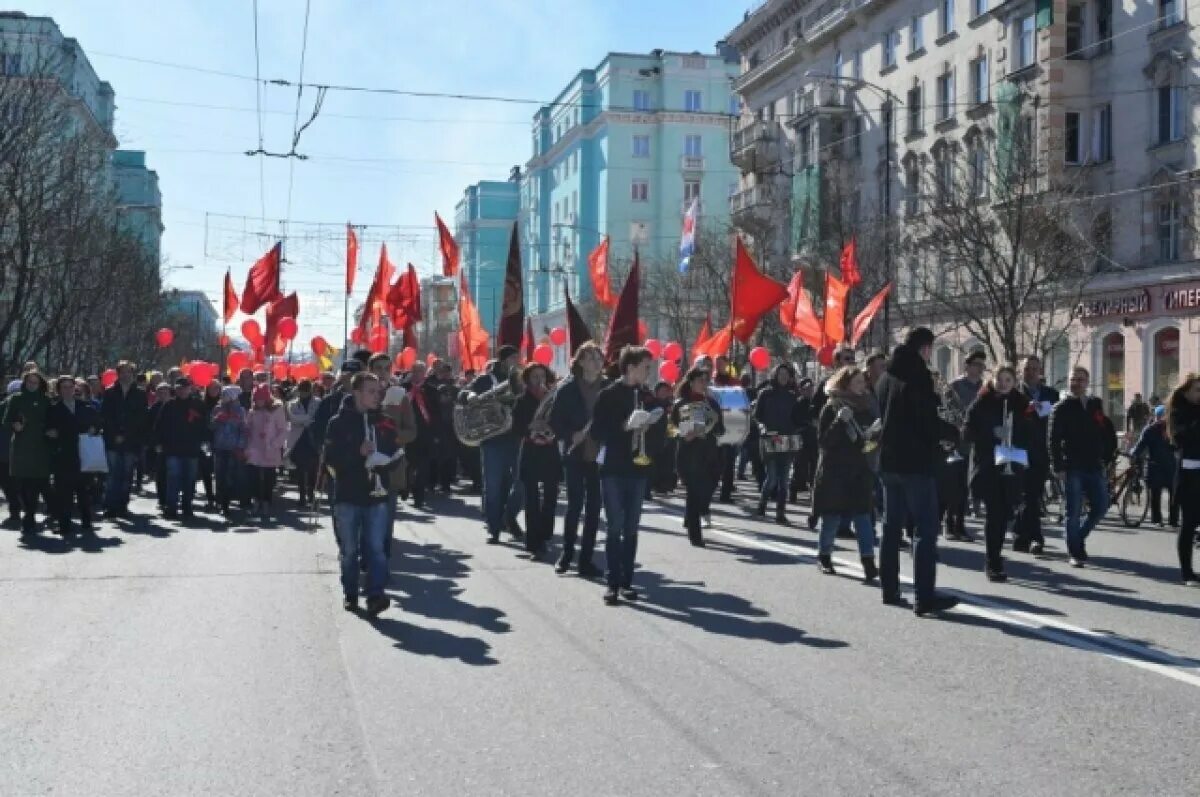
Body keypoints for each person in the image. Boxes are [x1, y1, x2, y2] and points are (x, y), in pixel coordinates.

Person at [875, 327, 960, 616]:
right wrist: (953, 432)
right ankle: (924, 596)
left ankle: (889, 588)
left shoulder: (886, 377)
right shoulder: (918, 376)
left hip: (888, 461)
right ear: (925, 348)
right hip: (915, 463)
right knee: (925, 528)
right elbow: (925, 421)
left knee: (890, 525)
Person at [324, 372, 403, 616]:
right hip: (348, 495)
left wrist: (385, 461)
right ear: (356, 393)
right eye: (371, 391)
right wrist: (357, 453)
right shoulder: (337, 422)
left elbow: (394, 453)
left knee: (376, 548)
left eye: (378, 391)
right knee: (349, 550)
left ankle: (375, 595)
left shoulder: (385, 421)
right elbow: (331, 460)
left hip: (377, 495)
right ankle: (350, 593)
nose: (376, 396)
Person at [591, 345, 658, 604]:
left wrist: (653, 422)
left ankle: (627, 582)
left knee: (631, 527)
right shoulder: (608, 394)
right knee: (615, 526)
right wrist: (624, 425)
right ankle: (612, 583)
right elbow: (597, 431)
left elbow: (658, 433)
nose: (648, 372)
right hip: (613, 468)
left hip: (637, 468)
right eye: (645, 367)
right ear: (630, 368)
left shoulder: (646, 396)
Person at [965, 366, 1033, 582]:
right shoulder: (982, 401)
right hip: (989, 464)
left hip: (1012, 463)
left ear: (1014, 382)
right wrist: (992, 432)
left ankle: (996, 556)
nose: (1003, 384)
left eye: (1008, 380)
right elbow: (968, 430)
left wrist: (1019, 431)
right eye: (999, 379)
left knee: (1004, 515)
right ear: (992, 380)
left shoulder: (1022, 402)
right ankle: (992, 561)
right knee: (994, 514)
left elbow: (1031, 431)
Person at [812, 365, 879, 581]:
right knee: (832, 516)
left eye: (863, 382)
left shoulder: (866, 406)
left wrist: (875, 435)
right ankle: (824, 556)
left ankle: (868, 561)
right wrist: (839, 421)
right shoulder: (832, 407)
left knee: (863, 517)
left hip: (860, 469)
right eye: (857, 382)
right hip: (836, 470)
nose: (862, 386)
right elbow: (823, 441)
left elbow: (871, 437)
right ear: (845, 384)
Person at [549, 341, 609, 578]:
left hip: (599, 456)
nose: (596, 361)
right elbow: (555, 421)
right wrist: (570, 434)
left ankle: (586, 559)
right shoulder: (567, 389)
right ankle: (566, 554)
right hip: (575, 454)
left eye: (598, 357)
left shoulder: (608, 388)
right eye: (591, 357)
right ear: (581, 361)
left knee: (594, 509)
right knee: (574, 506)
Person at [1049, 366, 1118, 568]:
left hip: (1095, 465)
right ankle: (1075, 552)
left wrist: (1106, 456)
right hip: (1073, 466)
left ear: (1087, 382)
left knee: (1101, 506)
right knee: (1073, 510)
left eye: (1081, 379)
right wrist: (1057, 465)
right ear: (1068, 382)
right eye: (1073, 379)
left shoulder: (1095, 404)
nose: (1076, 383)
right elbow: (1052, 440)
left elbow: (1105, 431)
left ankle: (1079, 536)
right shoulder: (1061, 407)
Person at [466, 345, 524, 544]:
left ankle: (509, 516)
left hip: (516, 438)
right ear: (504, 360)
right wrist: (471, 396)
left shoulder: (520, 378)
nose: (517, 361)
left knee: (521, 483)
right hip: (493, 440)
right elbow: (466, 393)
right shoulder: (486, 379)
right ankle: (494, 528)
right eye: (514, 357)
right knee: (492, 486)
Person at [511, 363, 561, 560]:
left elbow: (560, 422)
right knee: (531, 499)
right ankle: (533, 542)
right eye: (534, 376)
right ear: (527, 379)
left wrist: (551, 431)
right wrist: (530, 428)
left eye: (542, 375)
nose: (539, 380)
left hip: (549, 451)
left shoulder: (555, 399)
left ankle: (545, 534)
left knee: (550, 496)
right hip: (531, 451)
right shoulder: (522, 401)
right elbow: (516, 428)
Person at [670, 366, 724, 547]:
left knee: (708, 488)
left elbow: (720, 430)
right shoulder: (681, 403)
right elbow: (670, 429)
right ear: (691, 382)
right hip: (688, 455)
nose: (703, 384)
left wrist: (715, 421)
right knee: (693, 493)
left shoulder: (712, 404)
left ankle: (690, 516)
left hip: (708, 455)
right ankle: (696, 535)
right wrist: (684, 434)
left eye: (705, 380)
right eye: (700, 380)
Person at [1015, 355, 1060, 553]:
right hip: (1018, 450)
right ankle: (1033, 537)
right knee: (1024, 495)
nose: (1031, 372)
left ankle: (1021, 535)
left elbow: (1056, 422)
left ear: (1040, 371)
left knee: (1032, 495)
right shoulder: (1014, 393)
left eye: (1034, 368)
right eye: (1027, 368)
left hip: (1042, 451)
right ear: (1020, 371)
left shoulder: (1051, 394)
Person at [3, 369, 54, 539]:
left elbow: (51, 421)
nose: (32, 385)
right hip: (21, 446)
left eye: (35, 382)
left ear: (40, 384)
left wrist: (51, 431)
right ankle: (27, 511)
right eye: (29, 382)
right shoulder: (16, 399)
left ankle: (30, 516)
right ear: (25, 383)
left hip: (40, 447)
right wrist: (15, 425)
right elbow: (7, 420)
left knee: (36, 483)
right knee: (21, 484)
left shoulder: (46, 400)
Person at [753, 363, 803, 525]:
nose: (783, 377)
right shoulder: (765, 394)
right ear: (775, 375)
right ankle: (762, 505)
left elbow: (798, 419)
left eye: (786, 374)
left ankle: (780, 513)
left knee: (784, 479)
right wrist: (762, 427)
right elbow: (757, 416)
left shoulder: (793, 395)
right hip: (770, 438)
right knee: (772, 477)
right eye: (780, 373)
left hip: (788, 439)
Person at [153, 378, 208, 520]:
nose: (182, 390)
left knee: (190, 479)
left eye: (185, 388)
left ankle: (187, 505)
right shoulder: (169, 405)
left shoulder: (198, 405)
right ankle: (171, 507)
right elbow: (159, 425)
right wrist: (158, 442)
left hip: (192, 449)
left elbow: (205, 425)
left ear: (190, 389)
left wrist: (204, 442)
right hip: (172, 449)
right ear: (175, 389)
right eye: (179, 388)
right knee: (173, 477)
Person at [944, 351, 985, 540]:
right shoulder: (955, 386)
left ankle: (960, 524)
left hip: (974, 442)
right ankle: (949, 524)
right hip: (956, 441)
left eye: (981, 365)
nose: (979, 369)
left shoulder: (984, 388)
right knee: (953, 484)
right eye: (976, 364)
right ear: (967, 366)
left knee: (965, 486)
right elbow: (946, 410)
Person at [100, 361, 147, 519]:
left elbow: (141, 419)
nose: (126, 375)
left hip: (131, 441)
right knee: (113, 474)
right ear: (118, 373)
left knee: (127, 474)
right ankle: (110, 506)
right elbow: (106, 416)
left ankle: (122, 504)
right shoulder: (109, 392)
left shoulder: (140, 394)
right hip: (112, 440)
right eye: (123, 372)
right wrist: (115, 434)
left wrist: (126, 434)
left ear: (133, 374)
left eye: (129, 372)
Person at [1165, 375, 1200, 585]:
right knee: (1189, 524)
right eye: (1197, 390)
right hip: (1189, 476)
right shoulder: (1178, 412)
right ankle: (1187, 572)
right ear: (1186, 391)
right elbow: (1182, 439)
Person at [245, 384, 289, 521]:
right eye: (257, 399)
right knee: (254, 477)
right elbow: (248, 427)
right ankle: (256, 500)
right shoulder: (253, 411)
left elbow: (283, 429)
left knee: (268, 478)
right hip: (255, 448)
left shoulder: (277, 410)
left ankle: (266, 502)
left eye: (262, 399)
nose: (259, 402)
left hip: (270, 448)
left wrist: (275, 444)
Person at [1131, 405, 1177, 528]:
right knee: (1155, 494)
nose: (1162, 419)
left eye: (1165, 416)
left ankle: (1174, 521)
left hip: (1171, 466)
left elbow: (1179, 445)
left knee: (1174, 494)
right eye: (1160, 416)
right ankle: (1157, 519)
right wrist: (1133, 455)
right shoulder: (1150, 430)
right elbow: (1141, 445)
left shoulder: (1172, 429)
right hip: (1154, 466)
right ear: (1156, 416)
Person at [210, 386, 248, 516]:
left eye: (225, 395)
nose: (222, 397)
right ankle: (220, 502)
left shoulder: (241, 411)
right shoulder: (217, 408)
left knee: (229, 477)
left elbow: (243, 429)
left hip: (233, 448)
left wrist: (240, 446)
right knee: (219, 475)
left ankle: (228, 502)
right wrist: (216, 420)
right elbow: (210, 426)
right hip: (219, 447)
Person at [285, 379, 321, 507]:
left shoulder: (318, 402)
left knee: (313, 469)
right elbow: (293, 418)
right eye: (302, 390)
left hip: (312, 439)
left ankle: (310, 494)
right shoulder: (292, 404)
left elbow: (318, 418)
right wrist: (308, 420)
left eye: (306, 390)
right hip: (298, 439)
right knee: (301, 469)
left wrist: (305, 421)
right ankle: (301, 496)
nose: (304, 393)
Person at [0, 380, 22, 528]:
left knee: (9, 483)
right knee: (10, 483)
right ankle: (16, 509)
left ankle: (16, 509)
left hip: (12, 451)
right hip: (8, 451)